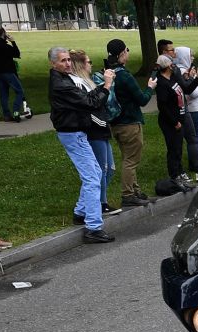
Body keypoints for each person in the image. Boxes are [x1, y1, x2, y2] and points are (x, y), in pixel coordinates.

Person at [46, 49, 115, 243]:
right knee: (93, 178)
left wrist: (101, 86)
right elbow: (90, 103)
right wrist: (107, 86)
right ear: (53, 64)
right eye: (63, 61)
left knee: (95, 172)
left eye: (69, 60)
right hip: (72, 134)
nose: (68, 63)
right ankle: (93, 226)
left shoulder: (64, 79)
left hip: (77, 133)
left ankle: (81, 211)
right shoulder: (61, 85)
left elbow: (88, 99)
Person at [105, 39, 155, 207]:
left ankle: (135, 191)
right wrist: (150, 87)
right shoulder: (125, 76)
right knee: (131, 160)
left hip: (116, 123)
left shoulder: (109, 73)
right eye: (127, 50)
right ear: (121, 54)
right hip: (130, 123)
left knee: (128, 157)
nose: (128, 52)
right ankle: (128, 194)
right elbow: (142, 100)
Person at [69, 50, 118, 219]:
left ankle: (94, 202)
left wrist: (106, 85)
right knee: (100, 170)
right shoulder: (78, 84)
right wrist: (106, 85)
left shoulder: (87, 82)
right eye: (89, 62)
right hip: (94, 131)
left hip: (101, 129)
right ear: (81, 65)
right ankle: (99, 203)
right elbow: (91, 107)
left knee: (108, 168)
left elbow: (100, 101)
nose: (91, 65)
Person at [153, 54, 191, 188]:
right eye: (171, 63)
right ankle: (174, 176)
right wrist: (175, 122)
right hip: (170, 122)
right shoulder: (162, 83)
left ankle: (180, 172)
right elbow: (162, 106)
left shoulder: (172, 77)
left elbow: (186, 89)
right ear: (168, 66)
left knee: (179, 148)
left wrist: (197, 79)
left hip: (179, 118)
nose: (173, 64)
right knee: (173, 149)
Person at [173, 46, 198, 181]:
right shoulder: (182, 72)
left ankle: (195, 163)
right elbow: (191, 92)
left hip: (191, 108)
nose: (193, 58)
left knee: (193, 139)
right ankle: (197, 165)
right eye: (191, 56)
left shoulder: (181, 70)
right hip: (192, 108)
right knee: (195, 139)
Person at [0, 26, 30, 122]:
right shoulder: (6, 46)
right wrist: (13, 41)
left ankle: (6, 114)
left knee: (3, 94)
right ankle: (16, 110)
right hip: (8, 71)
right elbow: (17, 54)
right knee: (19, 91)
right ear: (4, 33)